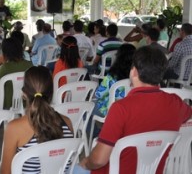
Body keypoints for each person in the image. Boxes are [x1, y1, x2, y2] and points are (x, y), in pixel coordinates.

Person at [77, 46, 192, 174]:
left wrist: (85, 163)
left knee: (76, 168)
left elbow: (98, 161)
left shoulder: (121, 108)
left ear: (134, 72)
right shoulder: (176, 103)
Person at [0, 66, 74, 174]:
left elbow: (5, 172)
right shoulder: (67, 122)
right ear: (51, 93)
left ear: (24, 94)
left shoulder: (14, 128)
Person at [93, 43, 136, 118]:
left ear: (119, 57)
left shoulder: (112, 76)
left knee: (89, 107)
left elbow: (99, 94)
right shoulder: (139, 76)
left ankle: (98, 129)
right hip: (132, 111)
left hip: (111, 110)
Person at [0, 38, 33, 109]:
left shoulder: (5, 67)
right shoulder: (30, 65)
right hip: (25, 104)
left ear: (5, 52)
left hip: (6, 104)